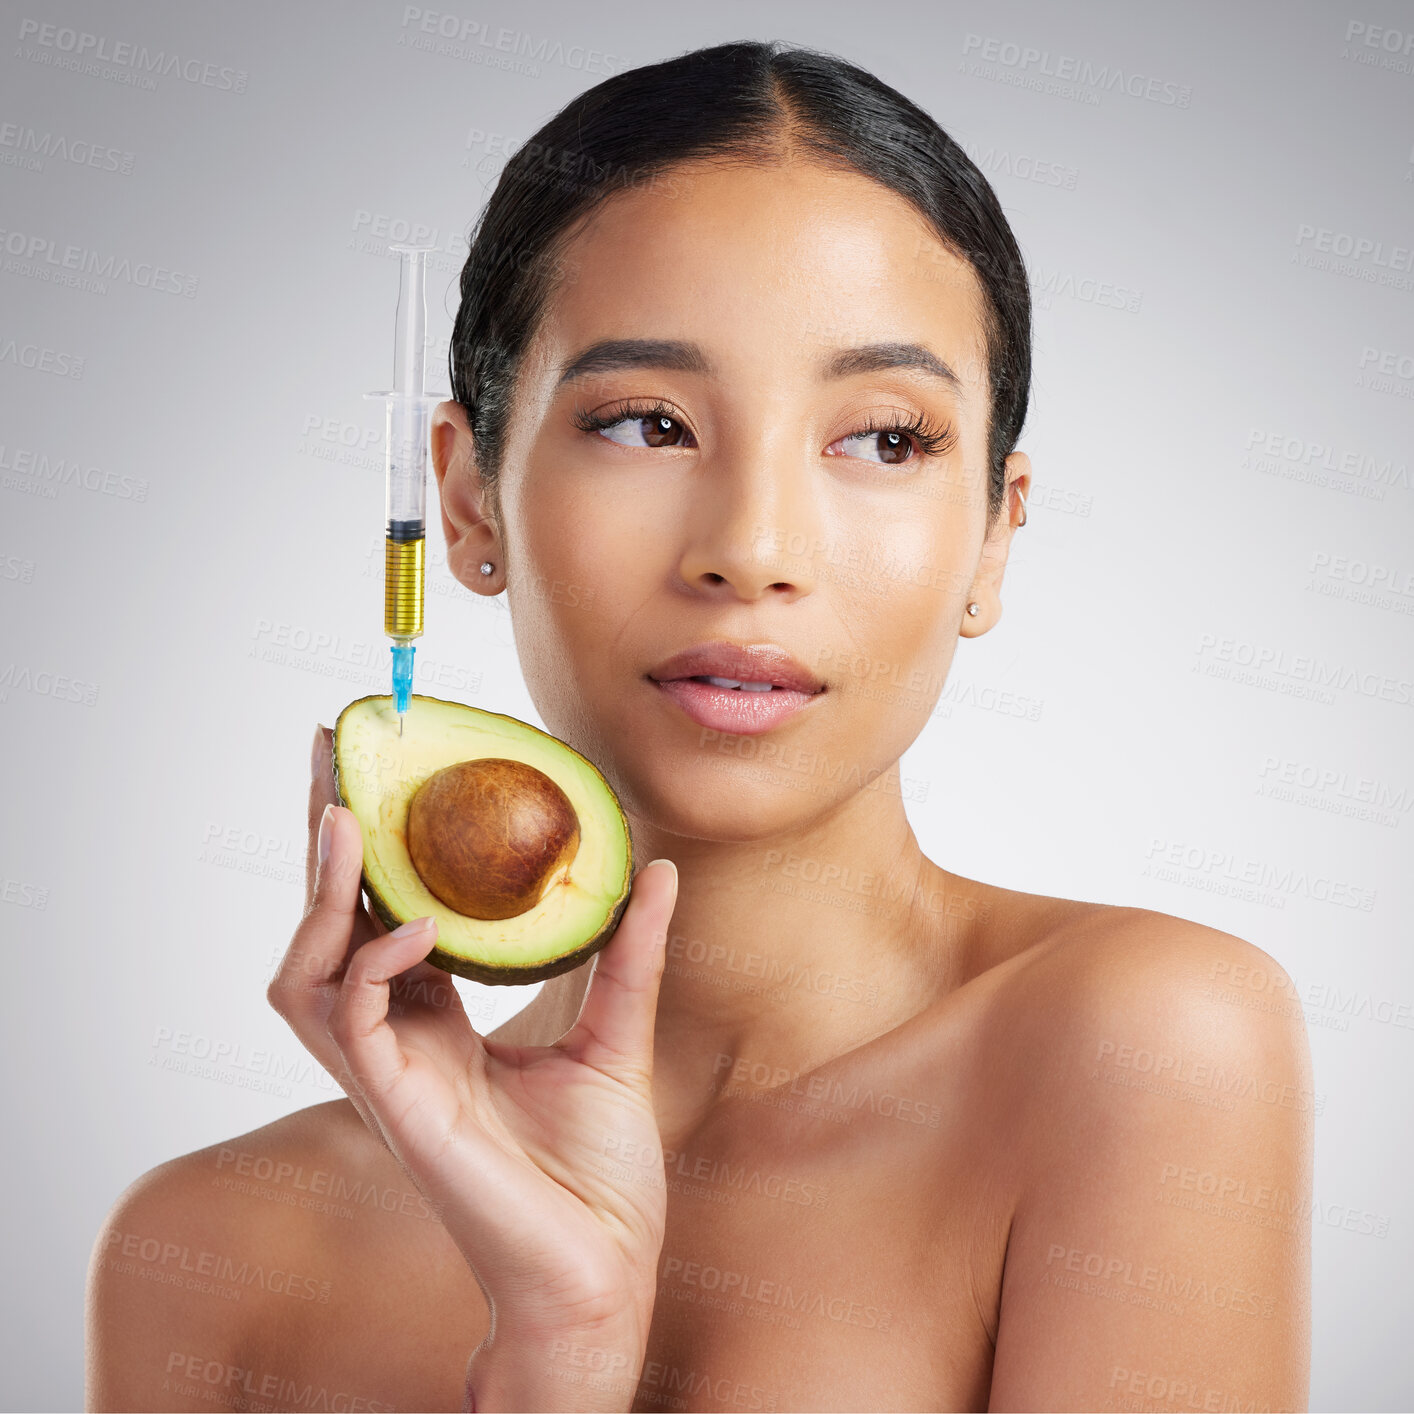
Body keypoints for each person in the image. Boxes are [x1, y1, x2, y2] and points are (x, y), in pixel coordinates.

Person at [87, 38, 1312, 1413]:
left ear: (991, 539)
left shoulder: (1142, 1046)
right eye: (647, 422)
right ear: (471, 502)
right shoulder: (211, 1252)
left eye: (884, 439)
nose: (752, 545)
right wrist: (560, 1341)